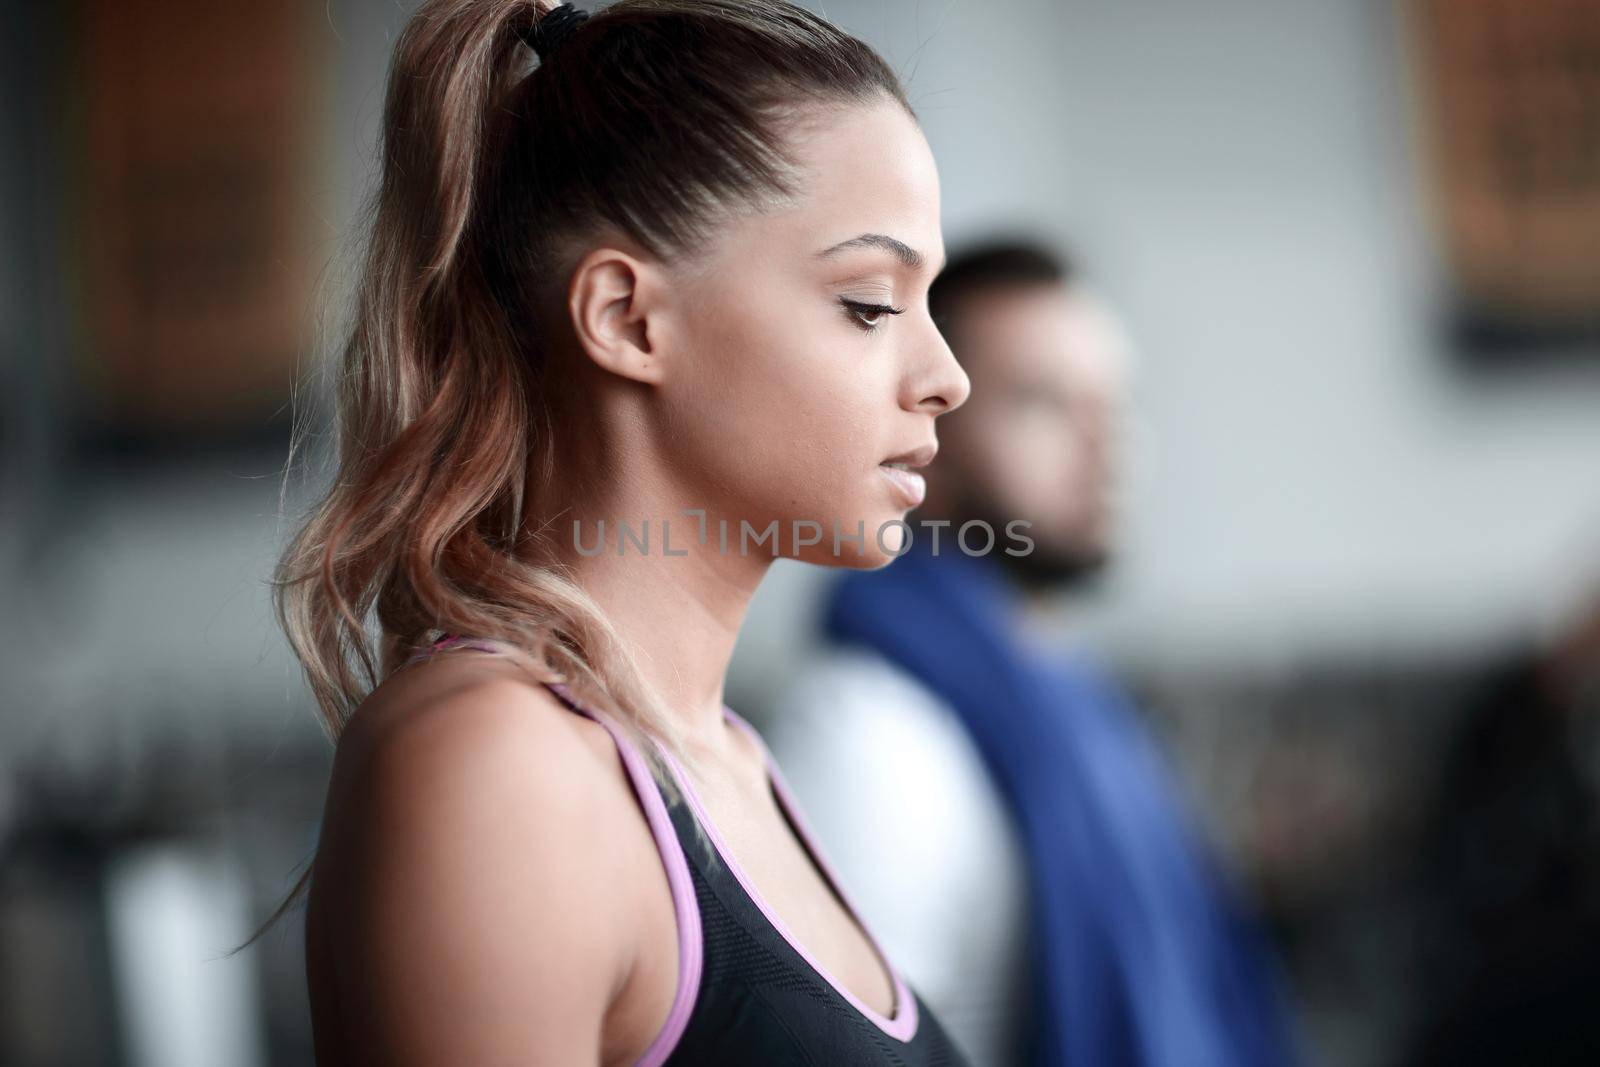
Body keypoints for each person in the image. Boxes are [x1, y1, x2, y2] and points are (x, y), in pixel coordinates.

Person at [261, 1, 977, 1063]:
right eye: (870, 303)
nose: (947, 377)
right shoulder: (499, 767)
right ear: (628, 320)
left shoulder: (725, 756)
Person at [765, 241, 1300, 1067]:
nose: (1107, 444)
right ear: (923, 429)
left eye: (1117, 402)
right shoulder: (870, 727)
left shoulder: (1080, 704)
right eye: (1045, 404)